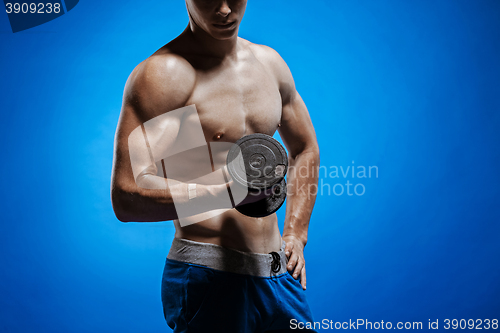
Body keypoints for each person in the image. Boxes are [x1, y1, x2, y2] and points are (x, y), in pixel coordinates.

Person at [111, 0, 319, 331]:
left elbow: (304, 147)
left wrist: (296, 232)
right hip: (209, 275)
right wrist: (227, 194)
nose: (223, 10)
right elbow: (127, 197)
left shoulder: (269, 65)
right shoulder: (166, 75)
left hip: (280, 276)